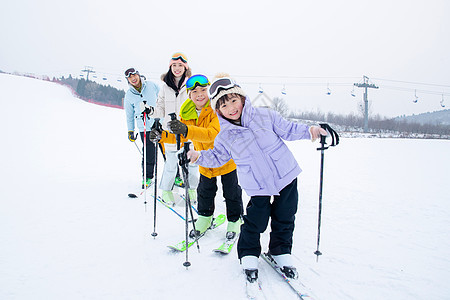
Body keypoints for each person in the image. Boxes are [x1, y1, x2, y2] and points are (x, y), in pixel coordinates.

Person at [187, 75, 327, 282]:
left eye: (234, 100)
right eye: (224, 105)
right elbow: (218, 156)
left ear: (243, 99)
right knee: (255, 221)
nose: (231, 108)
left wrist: (311, 131)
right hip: (256, 183)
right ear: (218, 110)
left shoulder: (265, 116)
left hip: (284, 173)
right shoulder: (225, 135)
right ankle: (249, 254)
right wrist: (198, 156)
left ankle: (279, 251)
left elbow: (289, 130)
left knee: (285, 216)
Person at [152, 74, 243, 238]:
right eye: (195, 91)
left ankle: (235, 220)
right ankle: (204, 218)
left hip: (226, 158)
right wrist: (162, 136)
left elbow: (211, 134)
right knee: (205, 191)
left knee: (231, 192)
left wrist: (186, 130)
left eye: (203, 90)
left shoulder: (217, 108)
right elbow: (181, 137)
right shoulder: (186, 113)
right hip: (205, 160)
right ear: (189, 95)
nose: (200, 94)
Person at [153, 52, 197, 204]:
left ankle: (192, 190)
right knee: (171, 164)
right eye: (174, 65)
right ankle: (166, 191)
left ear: (185, 67)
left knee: (192, 163)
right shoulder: (165, 87)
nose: (177, 68)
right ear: (170, 67)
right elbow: (160, 108)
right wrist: (150, 111)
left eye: (180, 65)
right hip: (170, 131)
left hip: (188, 131)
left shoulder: (192, 85)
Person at [123, 67, 160, 188]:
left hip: (159, 123)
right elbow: (129, 114)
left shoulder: (151, 85)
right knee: (148, 153)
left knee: (168, 151)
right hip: (144, 127)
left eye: (134, 75)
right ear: (128, 80)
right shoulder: (129, 95)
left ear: (138, 75)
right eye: (130, 77)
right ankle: (148, 177)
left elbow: (163, 100)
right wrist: (130, 130)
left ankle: (176, 176)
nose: (133, 78)